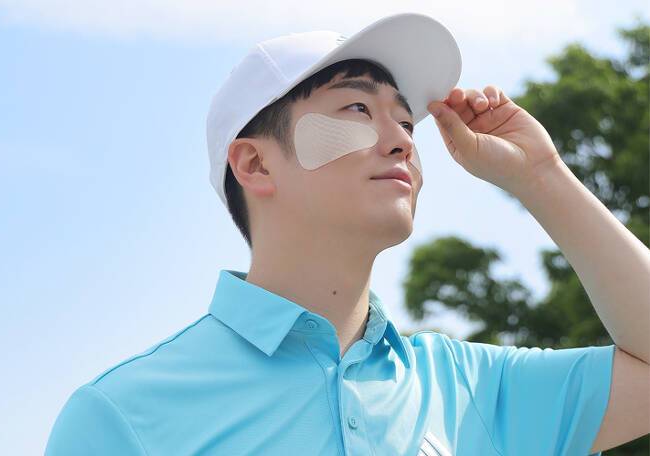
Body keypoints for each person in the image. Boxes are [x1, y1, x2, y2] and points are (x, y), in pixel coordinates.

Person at [45, 12, 650, 456]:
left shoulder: (472, 387)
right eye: (358, 109)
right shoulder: (120, 416)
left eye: (406, 120)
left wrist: (541, 176)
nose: (402, 140)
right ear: (254, 164)